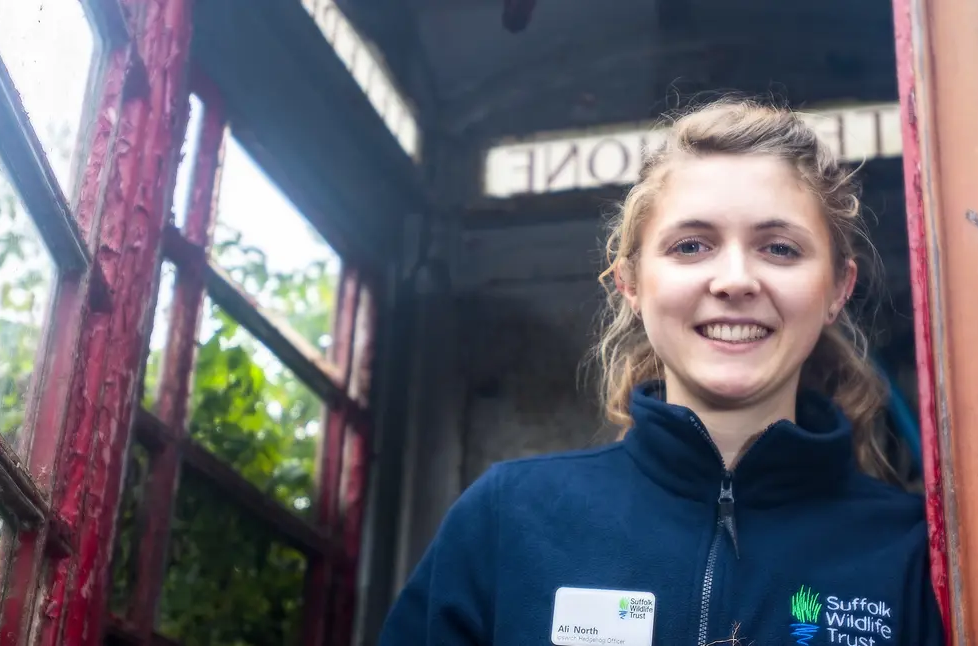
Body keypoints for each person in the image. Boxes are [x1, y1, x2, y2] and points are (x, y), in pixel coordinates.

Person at [378, 98, 947, 646]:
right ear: (629, 283)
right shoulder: (507, 517)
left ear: (837, 290)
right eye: (692, 245)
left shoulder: (914, 553)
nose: (734, 280)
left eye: (778, 249)